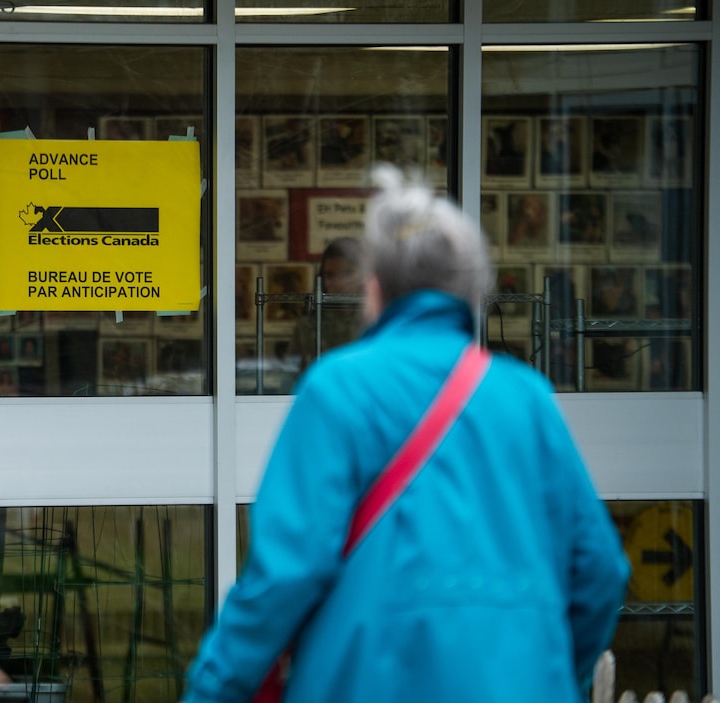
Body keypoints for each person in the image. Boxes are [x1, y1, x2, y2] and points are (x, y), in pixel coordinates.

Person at [183, 165, 629, 703]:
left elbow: (282, 578)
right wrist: (541, 668)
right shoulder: (527, 397)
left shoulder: (337, 389)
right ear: (474, 291)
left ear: (374, 289)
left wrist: (212, 689)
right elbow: (601, 572)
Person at [288, 236, 363, 382]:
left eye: (347, 273)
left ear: (364, 275)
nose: (338, 283)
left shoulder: (379, 322)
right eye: (330, 275)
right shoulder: (307, 328)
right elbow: (290, 380)